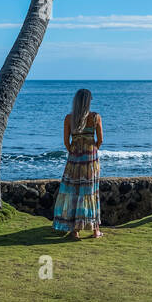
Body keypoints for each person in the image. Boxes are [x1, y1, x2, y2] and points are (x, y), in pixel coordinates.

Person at [52, 88, 102, 238]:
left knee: (73, 192)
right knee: (91, 192)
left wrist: (75, 152)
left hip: (74, 160)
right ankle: (95, 230)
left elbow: (66, 142)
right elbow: (100, 140)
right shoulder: (95, 117)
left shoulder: (69, 118)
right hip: (90, 160)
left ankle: (75, 231)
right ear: (88, 101)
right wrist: (91, 150)